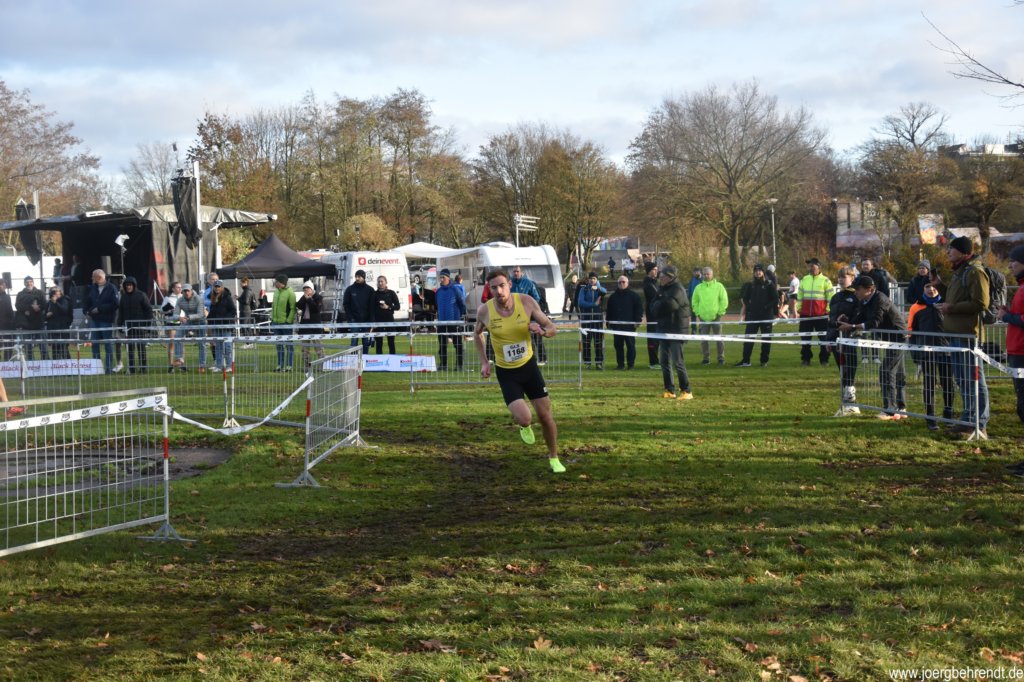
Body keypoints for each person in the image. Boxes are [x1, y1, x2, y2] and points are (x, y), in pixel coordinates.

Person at [473, 268, 565, 474]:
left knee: (545, 416)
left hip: (529, 368)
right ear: (489, 289)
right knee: (525, 418)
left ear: (509, 285)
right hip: (507, 373)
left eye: (502, 286)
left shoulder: (526, 302)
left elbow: (552, 327)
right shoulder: (484, 311)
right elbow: (477, 334)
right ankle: (524, 426)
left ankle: (554, 457)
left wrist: (542, 331)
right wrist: (484, 362)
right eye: (494, 288)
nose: (499, 291)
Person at [940, 236, 990, 438]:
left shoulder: (975, 272)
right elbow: (957, 298)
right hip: (956, 335)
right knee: (963, 380)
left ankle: (979, 422)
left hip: (968, 336)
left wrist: (951, 308)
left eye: (951, 249)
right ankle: (968, 419)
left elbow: (981, 303)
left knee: (974, 380)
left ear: (963, 252)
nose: (948, 252)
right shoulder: (959, 272)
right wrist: (940, 286)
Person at [838, 275, 907, 420]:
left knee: (886, 370)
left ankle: (890, 410)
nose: (855, 292)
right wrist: (848, 321)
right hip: (889, 338)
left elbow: (874, 322)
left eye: (858, 289)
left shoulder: (880, 299)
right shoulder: (865, 300)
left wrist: (852, 327)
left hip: (898, 337)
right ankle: (900, 409)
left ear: (869, 289)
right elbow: (861, 318)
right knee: (897, 373)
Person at [910, 281, 955, 431]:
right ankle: (930, 416)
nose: (931, 289)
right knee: (929, 383)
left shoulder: (946, 305)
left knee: (947, 383)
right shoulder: (916, 307)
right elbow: (911, 331)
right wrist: (915, 353)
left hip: (946, 351)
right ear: (923, 289)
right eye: (927, 286)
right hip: (926, 352)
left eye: (933, 286)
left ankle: (948, 414)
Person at [650, 265, 693, 400]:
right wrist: (659, 303)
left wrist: (659, 303)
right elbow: (652, 306)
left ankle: (686, 391)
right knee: (664, 362)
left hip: (676, 331)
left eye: (663, 276)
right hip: (663, 330)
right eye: (660, 276)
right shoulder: (661, 289)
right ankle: (669, 390)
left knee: (678, 362)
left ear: (670, 277)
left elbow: (670, 305)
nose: (661, 278)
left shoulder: (678, 289)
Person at [826, 268, 860, 416]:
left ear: (852, 278)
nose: (840, 280)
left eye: (844, 277)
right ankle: (848, 404)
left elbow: (858, 317)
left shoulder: (856, 296)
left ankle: (851, 403)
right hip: (835, 338)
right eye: (839, 277)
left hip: (849, 338)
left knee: (849, 368)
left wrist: (849, 323)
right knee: (842, 370)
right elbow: (831, 320)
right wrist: (829, 340)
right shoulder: (835, 297)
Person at [999, 245, 1024, 434]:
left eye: (1013, 262)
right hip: (1017, 349)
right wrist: (1008, 312)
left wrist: (1007, 317)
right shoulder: (1021, 287)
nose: (1009, 266)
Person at [736, 264, 778, 367]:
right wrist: (750, 307)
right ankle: (746, 361)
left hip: (766, 316)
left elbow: (775, 299)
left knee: (766, 340)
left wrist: (766, 307)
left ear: (763, 272)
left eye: (760, 270)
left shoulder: (769, 284)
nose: (758, 272)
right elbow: (745, 298)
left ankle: (764, 361)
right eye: (756, 270)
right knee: (748, 339)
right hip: (753, 316)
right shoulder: (750, 285)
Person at [797, 258, 832, 366]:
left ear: (818, 267)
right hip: (805, 314)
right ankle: (806, 359)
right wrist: (799, 308)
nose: (810, 268)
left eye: (812, 266)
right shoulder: (804, 279)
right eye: (809, 266)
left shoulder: (826, 281)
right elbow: (800, 296)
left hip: (821, 315)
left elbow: (830, 297)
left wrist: (828, 311)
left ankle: (824, 359)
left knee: (824, 338)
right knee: (805, 338)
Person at [83, 269, 119, 374]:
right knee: (94, 344)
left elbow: (115, 304)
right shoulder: (92, 288)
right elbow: (87, 301)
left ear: (99, 277)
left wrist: (100, 309)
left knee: (108, 344)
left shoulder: (111, 288)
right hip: (94, 320)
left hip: (106, 321)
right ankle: (97, 368)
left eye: (93, 277)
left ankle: (108, 368)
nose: (92, 278)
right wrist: (86, 311)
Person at [605, 275, 644, 370]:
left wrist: (638, 321)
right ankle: (620, 365)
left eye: (623, 282)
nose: (621, 284)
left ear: (627, 283)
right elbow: (609, 311)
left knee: (630, 346)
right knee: (618, 346)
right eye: (619, 282)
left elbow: (639, 309)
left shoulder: (634, 296)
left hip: (629, 326)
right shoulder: (613, 297)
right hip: (617, 326)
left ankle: (631, 365)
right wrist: (608, 322)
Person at [692, 266, 728, 365]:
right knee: (704, 340)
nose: (706, 276)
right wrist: (698, 313)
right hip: (703, 318)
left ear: (712, 274)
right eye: (704, 274)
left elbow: (724, 300)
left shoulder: (719, 286)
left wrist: (720, 313)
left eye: (708, 274)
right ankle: (706, 358)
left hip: (717, 317)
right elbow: (694, 301)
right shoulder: (698, 288)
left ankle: (721, 358)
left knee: (719, 339)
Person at [118, 276, 153, 374]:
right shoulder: (123, 297)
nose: (128, 287)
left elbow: (149, 310)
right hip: (128, 328)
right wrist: (119, 324)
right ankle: (131, 369)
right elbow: (121, 312)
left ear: (134, 285)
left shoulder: (141, 295)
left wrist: (147, 326)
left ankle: (143, 369)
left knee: (141, 349)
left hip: (140, 327)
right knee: (130, 350)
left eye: (130, 285)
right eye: (127, 285)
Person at [510, 266, 546, 365]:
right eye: (514, 271)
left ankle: (542, 358)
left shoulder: (528, 283)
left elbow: (536, 297)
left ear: (521, 272)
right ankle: (526, 359)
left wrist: (528, 307)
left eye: (517, 271)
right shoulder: (509, 283)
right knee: (520, 337)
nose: (516, 273)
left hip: (529, 314)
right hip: (514, 314)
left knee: (536, 335)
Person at [435, 268, 467, 371]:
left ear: (448, 278)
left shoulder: (455, 289)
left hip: (454, 322)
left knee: (458, 345)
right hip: (441, 323)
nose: (441, 279)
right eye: (440, 277)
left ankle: (459, 366)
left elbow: (462, 304)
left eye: (443, 277)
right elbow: (437, 305)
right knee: (442, 345)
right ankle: (443, 365)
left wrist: (459, 316)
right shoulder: (438, 291)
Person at [173, 283, 206, 372]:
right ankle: (179, 359)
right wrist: (179, 318)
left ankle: (202, 365)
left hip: (200, 322)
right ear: (182, 292)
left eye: (188, 291)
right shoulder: (180, 300)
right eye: (184, 291)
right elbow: (175, 315)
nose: (186, 293)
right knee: (177, 336)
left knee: (201, 343)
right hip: (187, 321)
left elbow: (200, 314)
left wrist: (188, 317)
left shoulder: (199, 299)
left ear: (191, 291)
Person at [577, 271, 606, 369]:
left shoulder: (599, 290)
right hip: (586, 320)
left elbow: (605, 291)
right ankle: (587, 362)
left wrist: (598, 287)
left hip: (598, 320)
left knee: (598, 342)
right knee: (586, 342)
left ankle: (599, 362)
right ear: (588, 280)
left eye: (594, 279)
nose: (592, 280)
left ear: (597, 280)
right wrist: (593, 304)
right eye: (591, 278)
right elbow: (581, 302)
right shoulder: (584, 289)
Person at [15, 275, 47, 360]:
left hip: (39, 323)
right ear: (24, 283)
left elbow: (45, 304)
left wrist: (38, 307)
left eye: (30, 282)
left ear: (33, 282)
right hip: (26, 324)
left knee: (42, 346)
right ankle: (30, 363)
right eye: (27, 282)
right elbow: (17, 305)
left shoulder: (40, 292)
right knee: (28, 347)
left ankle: (45, 362)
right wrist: (27, 309)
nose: (29, 283)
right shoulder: (20, 294)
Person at [207, 279, 237, 371]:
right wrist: (209, 320)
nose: (217, 288)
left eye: (218, 287)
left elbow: (233, 311)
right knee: (218, 346)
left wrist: (225, 319)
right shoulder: (212, 297)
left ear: (222, 287)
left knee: (227, 346)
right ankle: (219, 366)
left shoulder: (227, 297)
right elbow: (212, 312)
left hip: (226, 326)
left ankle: (229, 366)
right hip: (216, 326)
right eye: (215, 287)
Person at [343, 269, 374, 353]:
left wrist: (372, 320)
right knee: (354, 342)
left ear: (364, 277)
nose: (357, 278)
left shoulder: (370, 290)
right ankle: (353, 358)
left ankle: (365, 358)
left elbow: (372, 306)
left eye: (359, 277)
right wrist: (350, 318)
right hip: (354, 321)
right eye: (356, 276)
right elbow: (346, 304)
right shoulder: (350, 289)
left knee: (366, 342)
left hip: (366, 321)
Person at [270, 274, 297, 372]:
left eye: (276, 281)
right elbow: (273, 306)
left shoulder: (290, 293)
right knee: (279, 345)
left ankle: (289, 366)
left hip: (286, 324)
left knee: (289, 345)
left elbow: (293, 309)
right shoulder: (276, 292)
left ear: (282, 283)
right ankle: (280, 366)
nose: (275, 283)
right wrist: (273, 319)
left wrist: (288, 321)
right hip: (276, 323)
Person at [296, 281, 326, 368]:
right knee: (305, 349)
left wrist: (309, 299)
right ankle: (307, 366)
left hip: (315, 327)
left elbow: (316, 309)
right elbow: (299, 305)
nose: (305, 290)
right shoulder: (304, 297)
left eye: (307, 288)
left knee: (319, 348)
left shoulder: (318, 297)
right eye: (304, 288)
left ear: (312, 289)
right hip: (305, 327)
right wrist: (304, 298)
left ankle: (322, 366)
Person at [370, 275, 400, 354]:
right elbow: (371, 309)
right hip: (378, 322)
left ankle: (393, 358)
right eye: (379, 281)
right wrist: (373, 322)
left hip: (389, 320)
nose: (380, 283)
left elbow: (397, 306)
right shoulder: (374, 294)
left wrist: (388, 307)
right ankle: (379, 360)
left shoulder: (391, 293)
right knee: (379, 343)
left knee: (391, 342)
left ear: (386, 282)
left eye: (382, 281)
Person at [44, 286, 73, 360]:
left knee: (64, 349)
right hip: (53, 329)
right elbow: (43, 316)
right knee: (55, 349)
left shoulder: (64, 300)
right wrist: (47, 315)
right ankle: (55, 364)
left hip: (63, 328)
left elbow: (64, 310)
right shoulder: (49, 303)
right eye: (54, 294)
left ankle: (68, 364)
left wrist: (55, 302)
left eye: (58, 293)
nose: (56, 295)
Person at [162, 281, 184, 372]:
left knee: (181, 343)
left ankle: (181, 364)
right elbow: (162, 309)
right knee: (172, 343)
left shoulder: (183, 297)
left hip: (182, 322)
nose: (180, 289)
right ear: (173, 289)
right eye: (178, 287)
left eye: (180, 287)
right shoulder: (168, 298)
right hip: (172, 322)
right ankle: (171, 365)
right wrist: (170, 310)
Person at [642, 263, 661, 369]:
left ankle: (659, 361)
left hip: (658, 315)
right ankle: (653, 362)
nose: (656, 271)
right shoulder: (648, 284)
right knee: (653, 339)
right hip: (652, 315)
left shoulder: (655, 283)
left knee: (658, 339)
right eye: (654, 269)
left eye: (657, 269)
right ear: (649, 271)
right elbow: (656, 297)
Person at [0, 280, 14, 360]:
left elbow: (10, 311)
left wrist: (12, 323)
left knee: (9, 346)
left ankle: (7, 363)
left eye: (4, 285)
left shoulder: (7, 297)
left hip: (7, 326)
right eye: (2, 285)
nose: (4, 286)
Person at [687, 268, 702, 333]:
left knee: (701, 316)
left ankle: (701, 328)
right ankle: (693, 330)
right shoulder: (691, 280)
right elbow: (689, 290)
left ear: (700, 272)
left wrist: (700, 278)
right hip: (693, 301)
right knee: (693, 316)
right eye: (694, 272)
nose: (696, 273)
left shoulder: (702, 280)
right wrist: (688, 299)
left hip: (701, 301)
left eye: (697, 272)